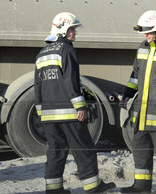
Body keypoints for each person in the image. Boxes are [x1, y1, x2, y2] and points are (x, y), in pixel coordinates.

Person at [34, 12, 116, 193]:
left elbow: (38, 84)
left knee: (55, 151)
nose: (75, 33)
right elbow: (69, 80)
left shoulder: (41, 53)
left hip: (48, 113)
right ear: (63, 30)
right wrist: (80, 105)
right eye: (72, 29)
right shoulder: (67, 50)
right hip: (69, 111)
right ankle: (93, 186)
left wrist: (41, 111)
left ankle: (54, 189)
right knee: (83, 148)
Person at [121, 10, 156, 193]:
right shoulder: (142, 47)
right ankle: (141, 187)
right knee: (140, 151)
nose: (146, 36)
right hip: (141, 113)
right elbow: (135, 75)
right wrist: (127, 94)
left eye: (149, 32)